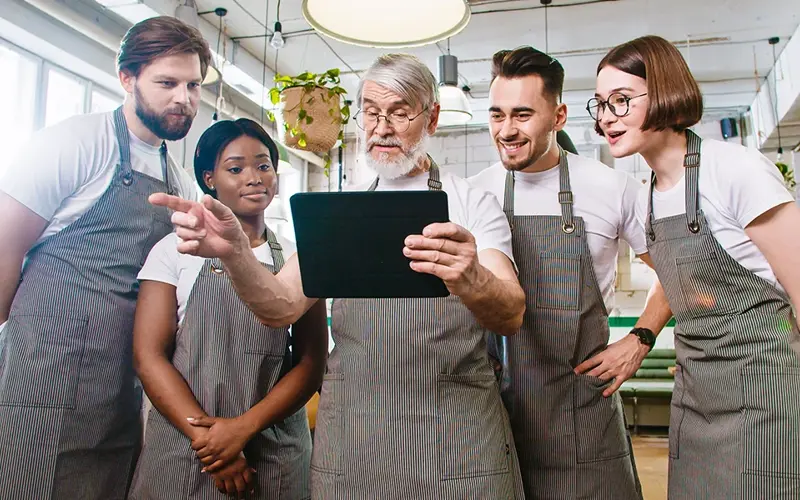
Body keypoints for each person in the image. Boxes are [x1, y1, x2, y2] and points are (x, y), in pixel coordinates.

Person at [151, 53, 527, 499]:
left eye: (400, 112)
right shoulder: (337, 214)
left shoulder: (472, 204)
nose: (382, 128)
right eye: (371, 112)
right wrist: (236, 253)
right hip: (355, 438)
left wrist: (471, 278)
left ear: (433, 118)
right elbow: (279, 306)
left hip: (458, 434)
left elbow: (511, 314)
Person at [0, 16, 209, 499]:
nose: (184, 98)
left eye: (193, 85)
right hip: (41, 380)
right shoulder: (74, 143)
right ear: (127, 79)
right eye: (167, 83)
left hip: (117, 388)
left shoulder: (175, 178)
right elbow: (5, 251)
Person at [590, 35, 800, 498]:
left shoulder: (735, 170)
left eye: (621, 101)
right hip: (695, 395)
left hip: (762, 393)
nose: (606, 117)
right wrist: (641, 337)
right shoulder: (647, 192)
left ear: (665, 92)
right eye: (601, 104)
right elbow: (673, 280)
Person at [468, 46, 666, 499]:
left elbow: (674, 273)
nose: (507, 130)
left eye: (522, 114)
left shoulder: (610, 187)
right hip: (492, 415)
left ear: (558, 116)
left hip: (583, 413)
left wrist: (640, 339)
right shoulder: (473, 192)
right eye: (497, 115)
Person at [128, 119, 327, 499]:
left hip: (271, 453)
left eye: (264, 165)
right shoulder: (175, 250)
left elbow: (310, 364)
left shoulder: (298, 258)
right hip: (186, 449)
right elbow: (149, 356)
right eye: (235, 168)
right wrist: (210, 443)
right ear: (209, 179)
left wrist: (240, 431)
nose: (254, 177)